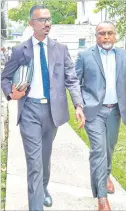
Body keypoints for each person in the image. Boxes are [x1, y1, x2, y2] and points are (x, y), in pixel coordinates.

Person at [1, 5, 85, 211]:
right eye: (42, 20)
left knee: (44, 158)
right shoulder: (20, 50)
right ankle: (36, 206)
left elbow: (72, 79)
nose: (47, 23)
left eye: (49, 19)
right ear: (31, 24)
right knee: (34, 164)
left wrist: (78, 104)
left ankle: (44, 188)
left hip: (52, 114)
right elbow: (4, 77)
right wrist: (12, 94)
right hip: (29, 110)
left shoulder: (60, 49)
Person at [75, 21, 126, 211]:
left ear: (115, 35)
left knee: (109, 147)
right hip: (93, 111)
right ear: (96, 36)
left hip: (115, 111)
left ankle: (106, 173)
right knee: (98, 150)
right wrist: (79, 105)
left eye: (109, 33)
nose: (106, 37)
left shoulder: (124, 56)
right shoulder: (85, 56)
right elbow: (75, 82)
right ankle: (101, 198)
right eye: (101, 33)